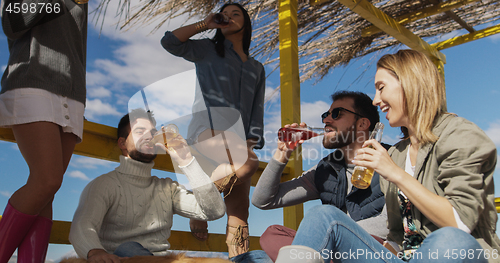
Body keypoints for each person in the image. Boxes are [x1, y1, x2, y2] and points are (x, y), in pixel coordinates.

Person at [274, 49, 499, 263]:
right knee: (322, 216)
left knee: (448, 240)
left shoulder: (459, 135)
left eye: (381, 88)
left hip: (450, 252)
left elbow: (460, 223)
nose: (375, 100)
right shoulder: (398, 153)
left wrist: (395, 174)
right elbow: (396, 236)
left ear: (410, 84)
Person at [161, 3, 265, 258]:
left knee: (240, 214)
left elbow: (257, 105)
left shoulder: (256, 68)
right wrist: (204, 25)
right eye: (224, 14)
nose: (228, 17)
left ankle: (238, 257)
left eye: (235, 14)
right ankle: (198, 204)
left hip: (238, 139)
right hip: (207, 131)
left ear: (246, 23)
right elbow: (170, 42)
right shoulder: (207, 49)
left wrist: (252, 138)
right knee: (249, 162)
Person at [68, 109, 226, 262]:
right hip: (122, 259)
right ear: (122, 143)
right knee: (129, 249)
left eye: (152, 132)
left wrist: (186, 161)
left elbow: (215, 211)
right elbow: (82, 225)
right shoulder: (104, 184)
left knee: (250, 258)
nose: (149, 136)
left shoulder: (168, 188)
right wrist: (95, 252)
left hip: (162, 260)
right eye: (139, 131)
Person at [252, 91, 389, 262]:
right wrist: (282, 154)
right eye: (326, 115)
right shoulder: (325, 170)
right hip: (332, 252)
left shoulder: (391, 159)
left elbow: (391, 223)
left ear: (362, 124)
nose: (326, 120)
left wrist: (332, 234)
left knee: (320, 219)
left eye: (336, 113)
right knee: (264, 243)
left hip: (371, 251)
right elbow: (263, 200)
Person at [0, 1, 87, 263]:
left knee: (47, 193)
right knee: (47, 180)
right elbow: (11, 24)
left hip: (72, 91)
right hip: (32, 80)